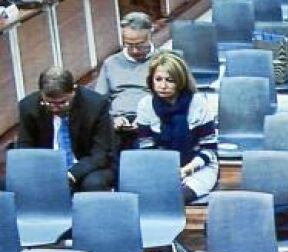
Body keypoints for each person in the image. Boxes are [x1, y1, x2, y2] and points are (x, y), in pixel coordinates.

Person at [135, 52, 218, 203]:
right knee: (150, 198)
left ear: (181, 81)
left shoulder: (199, 103)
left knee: (177, 198)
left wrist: (187, 169)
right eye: (158, 79)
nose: (163, 86)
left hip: (197, 166)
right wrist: (166, 172)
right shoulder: (145, 105)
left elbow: (210, 150)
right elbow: (147, 149)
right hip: (160, 168)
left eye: (170, 80)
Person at [15, 67, 115, 192]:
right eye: (49, 103)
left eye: (62, 103)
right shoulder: (28, 106)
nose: (55, 108)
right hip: (47, 167)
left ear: (73, 91)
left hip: (87, 166)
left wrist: (72, 174)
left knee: (94, 183)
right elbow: (24, 147)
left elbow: (101, 153)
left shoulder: (96, 105)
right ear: (41, 94)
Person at [93, 12, 156, 151]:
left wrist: (148, 118)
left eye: (140, 44)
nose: (135, 50)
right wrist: (112, 119)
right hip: (118, 123)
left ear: (150, 34)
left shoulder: (164, 60)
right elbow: (98, 103)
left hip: (153, 120)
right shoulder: (111, 63)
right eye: (129, 44)